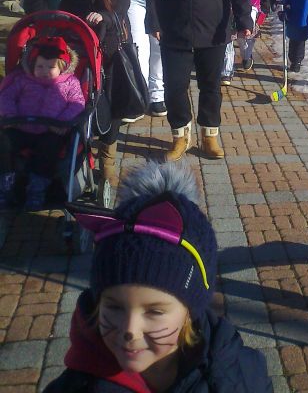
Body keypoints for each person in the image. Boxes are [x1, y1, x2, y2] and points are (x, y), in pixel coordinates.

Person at [42, 162, 273, 393]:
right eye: (114, 307)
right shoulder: (75, 387)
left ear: (190, 313)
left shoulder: (242, 375)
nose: (130, 329)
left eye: (154, 311)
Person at [23, 0, 136, 201]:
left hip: (108, 26)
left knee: (108, 93)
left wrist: (110, 16)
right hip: (69, 25)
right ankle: (63, 152)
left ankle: (107, 157)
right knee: (64, 89)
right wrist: (41, 18)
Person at [146, 0, 253, 161]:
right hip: (175, 27)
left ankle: (209, 135)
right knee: (174, 87)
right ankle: (180, 136)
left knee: (210, 86)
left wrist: (244, 20)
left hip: (213, 28)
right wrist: (153, 20)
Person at [0, 36, 85, 210]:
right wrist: (10, 115)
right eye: (40, 66)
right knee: (4, 142)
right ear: (32, 65)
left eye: (51, 67)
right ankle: (6, 185)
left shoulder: (70, 83)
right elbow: (6, 97)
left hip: (51, 130)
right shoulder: (22, 79)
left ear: (62, 67)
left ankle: (37, 190)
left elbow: (77, 104)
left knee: (49, 149)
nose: (45, 71)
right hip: (20, 126)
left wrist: (62, 122)